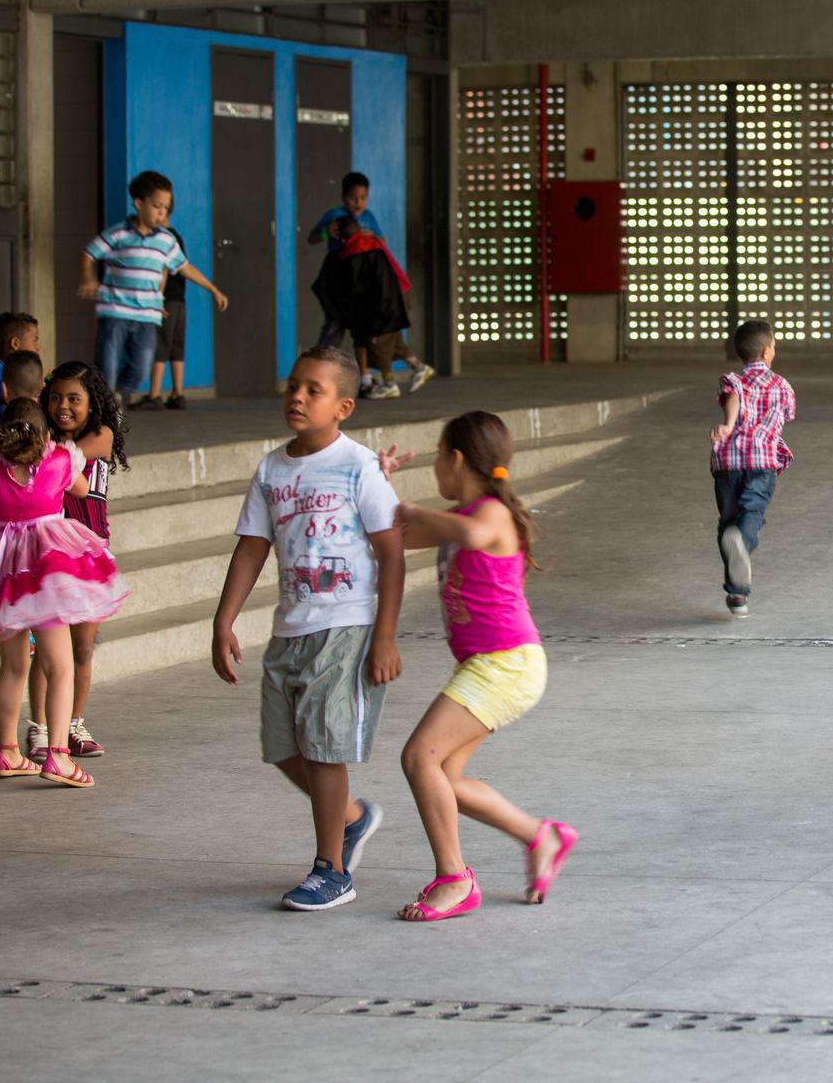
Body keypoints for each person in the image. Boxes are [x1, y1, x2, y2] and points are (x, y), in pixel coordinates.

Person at [212, 347, 404, 912]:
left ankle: (331, 870)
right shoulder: (273, 468)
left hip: (347, 625)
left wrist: (386, 635)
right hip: (289, 628)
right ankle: (350, 817)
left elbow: (391, 554)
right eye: (293, 386)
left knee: (323, 749)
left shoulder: (359, 466)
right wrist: (224, 619)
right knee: (283, 747)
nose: (297, 396)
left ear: (343, 406)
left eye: (313, 390)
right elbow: (252, 545)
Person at [387, 410, 577, 922]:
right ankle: (542, 836)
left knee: (418, 758)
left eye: (435, 459)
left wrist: (414, 508)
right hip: (491, 666)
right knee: (442, 775)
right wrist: (378, 491)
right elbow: (389, 540)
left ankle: (454, 879)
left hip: (506, 665)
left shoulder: (491, 514)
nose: (434, 471)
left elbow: (470, 535)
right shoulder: (462, 521)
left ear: (454, 459)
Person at [0, 401, 127, 789]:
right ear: (46, 434)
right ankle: (58, 757)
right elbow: (83, 492)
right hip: (45, 571)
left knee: (14, 666)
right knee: (60, 666)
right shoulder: (60, 458)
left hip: (0, 568)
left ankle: (7, 752)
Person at [24, 361, 128, 763]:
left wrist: (36, 446)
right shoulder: (42, 436)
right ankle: (40, 728)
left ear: (93, 403)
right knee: (49, 650)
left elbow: (64, 461)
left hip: (90, 555)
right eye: (54, 397)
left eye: (74, 399)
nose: (63, 406)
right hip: (49, 556)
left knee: (82, 648)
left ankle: (72, 724)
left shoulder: (99, 435)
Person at [79, 171, 227, 405]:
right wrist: (88, 278)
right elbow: (89, 254)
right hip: (115, 311)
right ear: (139, 204)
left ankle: (116, 396)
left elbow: (185, 268)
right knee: (106, 364)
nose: (162, 213)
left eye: (166, 208)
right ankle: (103, 402)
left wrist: (213, 289)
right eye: (157, 206)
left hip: (148, 315)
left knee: (142, 366)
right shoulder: (118, 233)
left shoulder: (167, 240)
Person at [709, 319, 795, 618]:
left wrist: (729, 425)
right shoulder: (782, 385)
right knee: (751, 516)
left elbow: (733, 399)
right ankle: (740, 546)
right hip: (761, 462)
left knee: (729, 522)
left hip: (727, 462)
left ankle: (737, 594)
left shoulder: (733, 380)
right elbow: (788, 414)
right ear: (768, 351)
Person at [311, 216, 433, 397]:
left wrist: (378, 320)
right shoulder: (370, 243)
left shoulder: (357, 255)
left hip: (388, 299)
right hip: (395, 294)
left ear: (341, 237)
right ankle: (417, 366)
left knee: (380, 338)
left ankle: (389, 382)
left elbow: (379, 289)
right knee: (389, 335)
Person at [308, 172, 385, 351]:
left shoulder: (368, 217)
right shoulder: (335, 215)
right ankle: (322, 361)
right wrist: (326, 232)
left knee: (365, 323)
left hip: (361, 275)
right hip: (338, 272)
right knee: (335, 321)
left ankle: (365, 375)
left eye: (363, 198)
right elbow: (311, 238)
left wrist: (368, 237)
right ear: (343, 197)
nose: (358, 203)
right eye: (352, 197)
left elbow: (382, 242)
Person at [145, 229, 190, 410]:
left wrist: (158, 298)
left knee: (161, 345)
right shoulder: (176, 236)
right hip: (180, 301)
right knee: (177, 348)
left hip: (166, 301)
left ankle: (154, 394)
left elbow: (163, 267)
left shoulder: (161, 237)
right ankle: (178, 393)